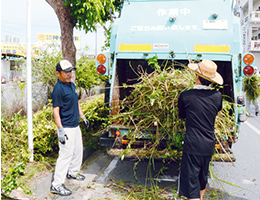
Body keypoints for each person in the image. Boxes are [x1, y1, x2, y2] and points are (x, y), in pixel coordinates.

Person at [177, 59, 223, 200]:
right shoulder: (217, 96)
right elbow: (216, 111)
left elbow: (182, 115)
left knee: (192, 183)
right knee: (202, 178)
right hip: (208, 145)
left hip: (193, 145)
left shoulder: (186, 96)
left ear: (197, 77)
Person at [50, 60, 89, 196]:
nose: (69, 74)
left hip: (75, 125)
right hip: (66, 127)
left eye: (70, 71)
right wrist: (60, 129)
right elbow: (56, 111)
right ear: (58, 73)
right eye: (66, 72)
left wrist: (82, 116)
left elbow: (76, 102)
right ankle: (57, 185)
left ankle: (72, 173)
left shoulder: (71, 85)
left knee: (78, 151)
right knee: (65, 155)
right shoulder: (58, 89)